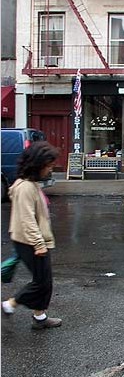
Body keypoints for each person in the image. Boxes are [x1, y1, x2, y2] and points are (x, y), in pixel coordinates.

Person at [1, 141, 62, 330]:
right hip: (30, 242)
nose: (50, 169)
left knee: (44, 281)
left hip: (31, 241)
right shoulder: (26, 187)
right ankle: (10, 305)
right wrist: (39, 244)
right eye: (48, 165)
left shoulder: (31, 184)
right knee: (41, 282)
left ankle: (40, 317)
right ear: (38, 164)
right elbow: (28, 220)